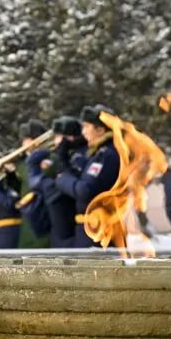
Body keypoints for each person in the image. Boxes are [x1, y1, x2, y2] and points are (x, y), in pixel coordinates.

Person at [54, 105, 121, 248]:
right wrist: (63, 158)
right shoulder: (97, 153)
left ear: (100, 129)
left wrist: (62, 179)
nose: (83, 133)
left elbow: (85, 190)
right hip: (90, 227)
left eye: (86, 127)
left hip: (98, 228)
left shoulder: (106, 154)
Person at [39, 115, 86, 249]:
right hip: (59, 220)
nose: (55, 141)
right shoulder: (64, 153)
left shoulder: (78, 155)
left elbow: (71, 177)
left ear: (69, 138)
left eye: (59, 136)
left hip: (71, 219)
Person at [15, 119, 51, 249]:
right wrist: (9, 174)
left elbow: (31, 180)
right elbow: (18, 187)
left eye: (28, 138)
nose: (24, 143)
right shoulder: (22, 162)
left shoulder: (45, 159)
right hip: (27, 214)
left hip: (41, 212)